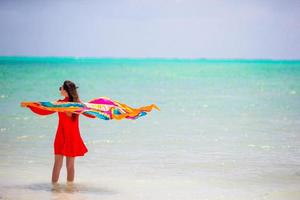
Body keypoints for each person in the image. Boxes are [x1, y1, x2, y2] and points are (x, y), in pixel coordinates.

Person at [21, 80, 88, 185]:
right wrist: (83, 104)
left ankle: (54, 189)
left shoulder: (61, 104)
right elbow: (91, 114)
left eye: (61, 88)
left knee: (57, 164)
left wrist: (30, 106)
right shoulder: (77, 105)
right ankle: (70, 190)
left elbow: (44, 110)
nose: (60, 89)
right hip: (71, 137)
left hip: (62, 136)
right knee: (70, 166)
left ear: (66, 91)